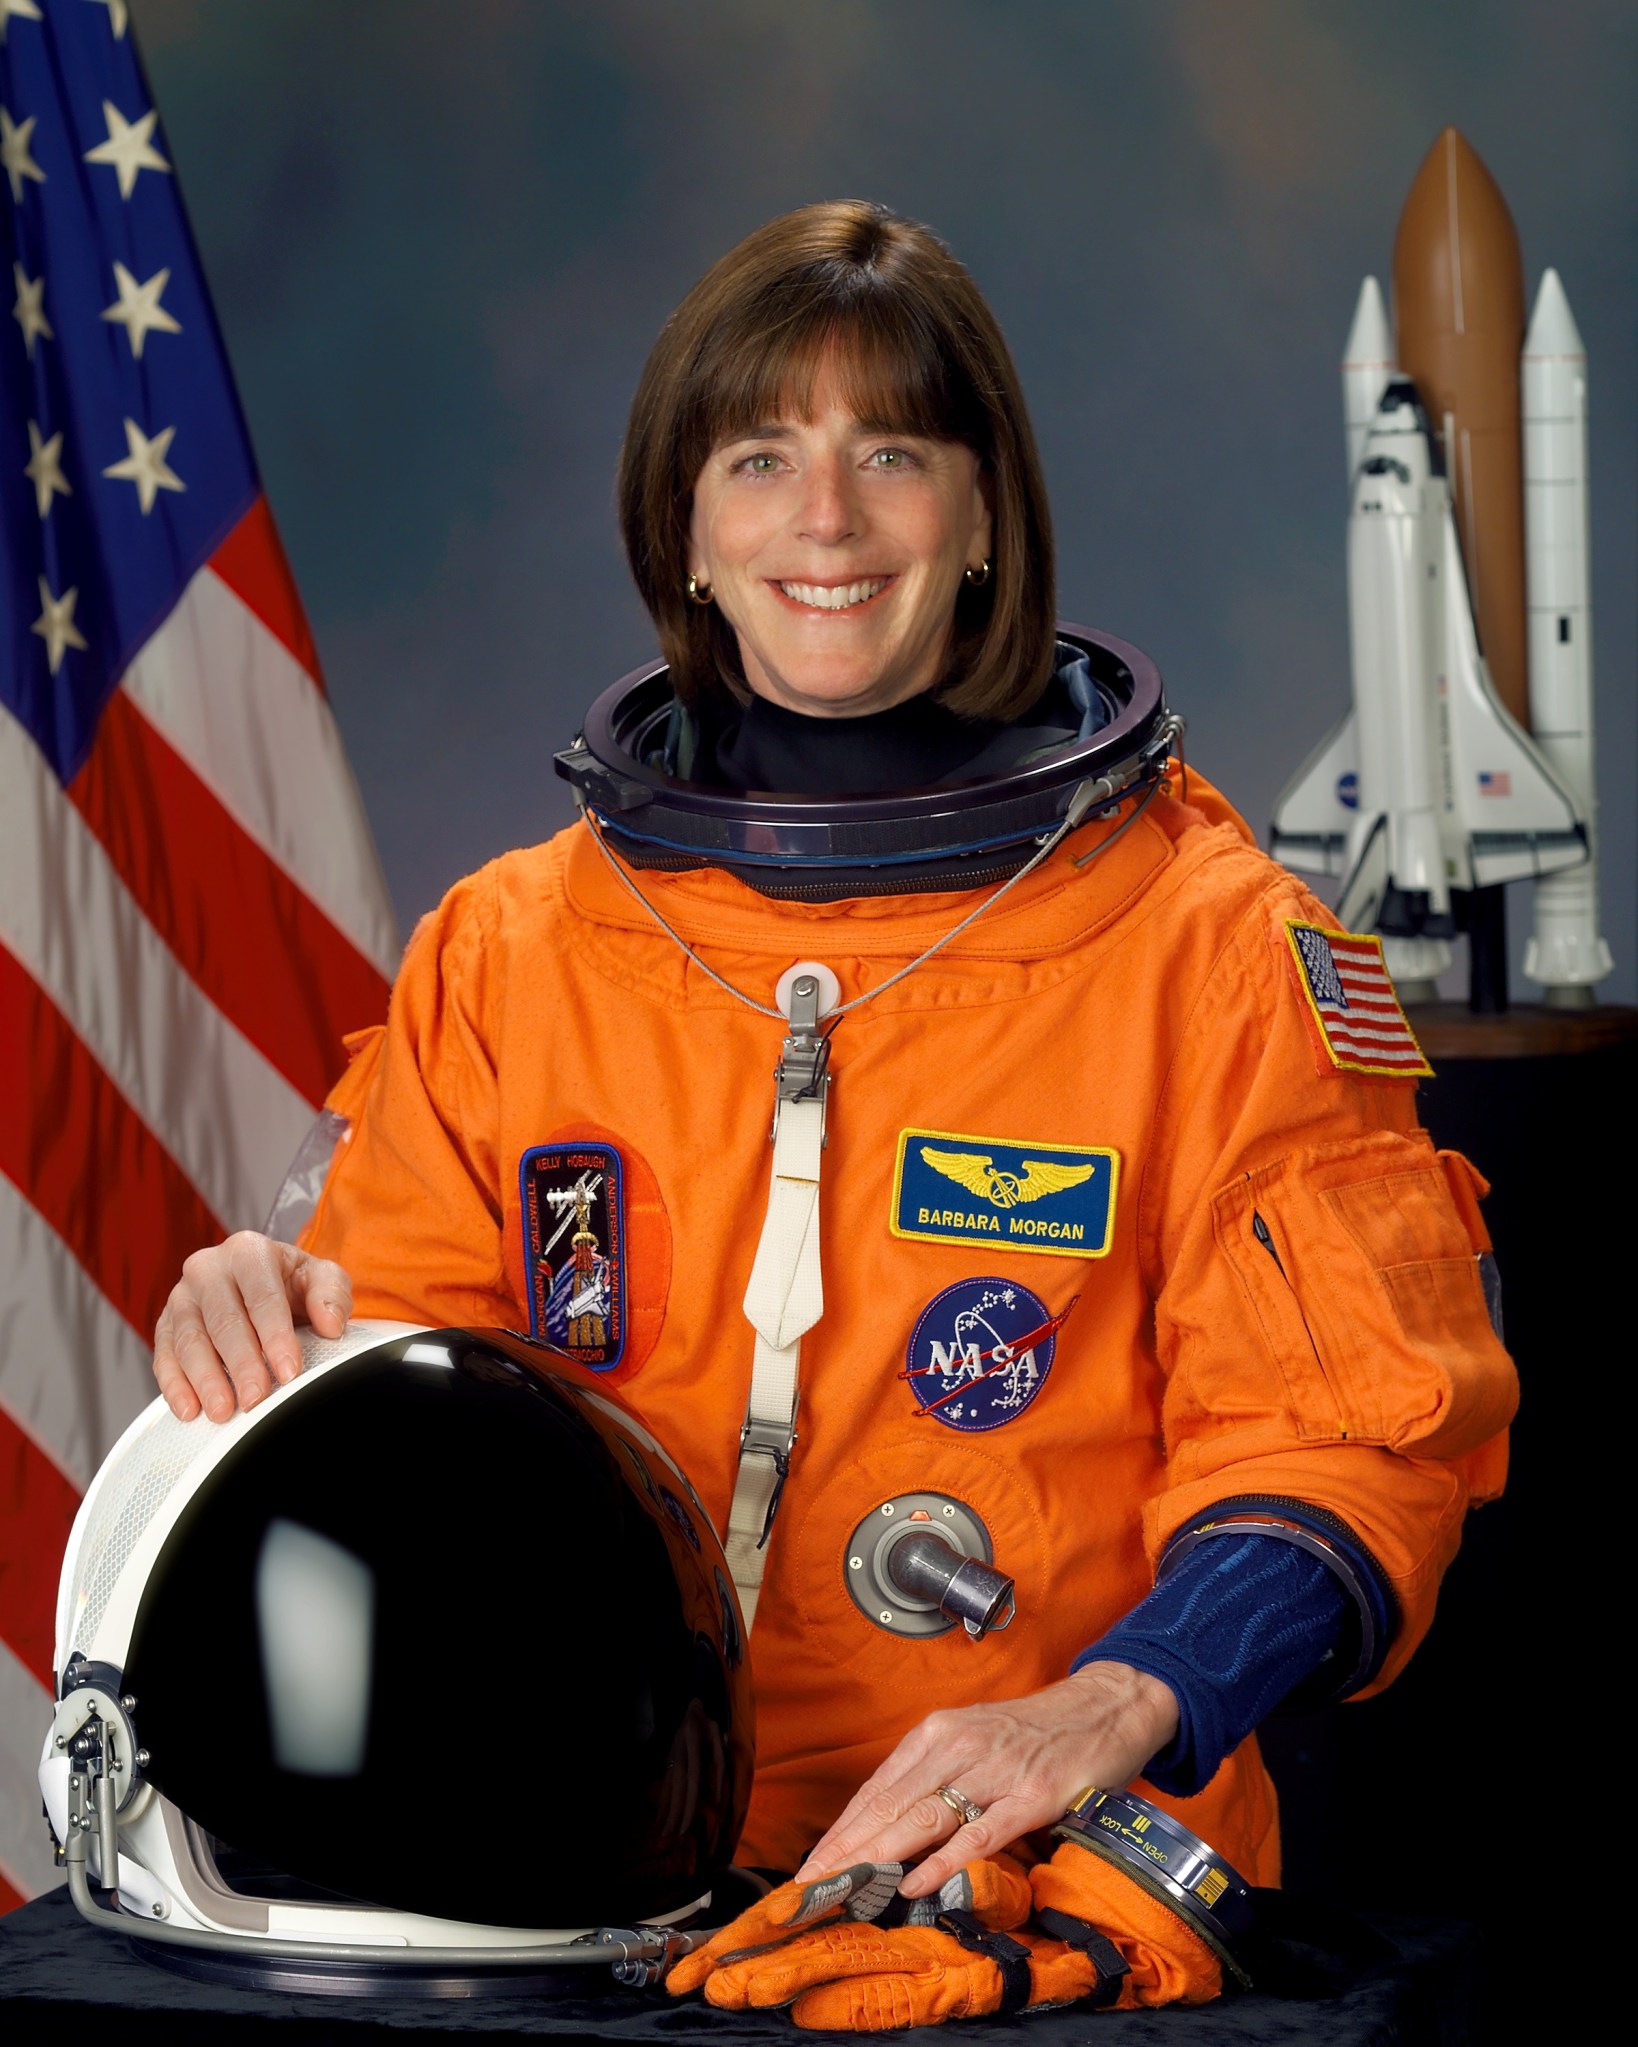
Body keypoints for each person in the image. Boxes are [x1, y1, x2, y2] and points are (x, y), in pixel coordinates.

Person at [151, 203, 1515, 1921]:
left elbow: (1347, 1443)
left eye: (891, 452)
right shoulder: (513, 952)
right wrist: (283, 1331)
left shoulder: (1206, 948)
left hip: (1015, 1878)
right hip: (555, 1866)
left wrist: (1107, 1705)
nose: (823, 520)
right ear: (686, 533)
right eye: (755, 459)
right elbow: (422, 1396)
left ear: (980, 521)